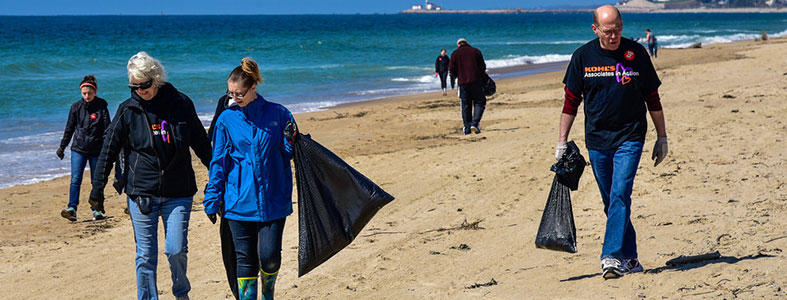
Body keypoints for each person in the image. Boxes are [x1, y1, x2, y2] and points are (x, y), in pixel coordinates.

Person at [556, 5, 668, 279]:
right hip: (597, 140)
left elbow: (652, 98)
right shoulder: (582, 57)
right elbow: (571, 102)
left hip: (630, 137)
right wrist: (562, 141)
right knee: (611, 201)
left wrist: (662, 136)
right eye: (608, 31)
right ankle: (630, 257)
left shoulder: (636, 53)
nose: (614, 35)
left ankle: (611, 256)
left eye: (618, 28)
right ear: (595, 30)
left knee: (620, 193)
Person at [89, 51, 212, 300]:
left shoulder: (181, 104)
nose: (139, 91)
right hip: (141, 192)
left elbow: (200, 142)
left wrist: (219, 176)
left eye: (144, 85)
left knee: (176, 249)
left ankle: (181, 293)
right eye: (134, 86)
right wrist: (97, 189)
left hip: (178, 191)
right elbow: (108, 150)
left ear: (156, 79)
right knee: (146, 255)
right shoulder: (128, 110)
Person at [204, 57, 296, 300]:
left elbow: (289, 153)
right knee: (245, 261)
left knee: (270, 257)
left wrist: (290, 138)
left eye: (240, 93)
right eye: (231, 93)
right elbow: (219, 162)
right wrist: (212, 198)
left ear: (253, 87)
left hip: (273, 202)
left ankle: (268, 296)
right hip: (237, 203)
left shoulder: (279, 113)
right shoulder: (226, 119)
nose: (235, 98)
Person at [57, 75, 112, 222]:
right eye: (84, 93)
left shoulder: (102, 106)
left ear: (95, 92)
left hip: (96, 150)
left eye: (90, 93)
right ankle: (72, 209)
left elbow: (108, 129)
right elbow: (69, 128)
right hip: (78, 149)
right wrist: (62, 146)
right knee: (75, 179)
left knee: (96, 181)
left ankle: (97, 210)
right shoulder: (76, 107)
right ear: (81, 92)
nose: (87, 96)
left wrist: (109, 148)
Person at [449, 38, 487, 135]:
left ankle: (467, 128)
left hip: (463, 82)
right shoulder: (476, 51)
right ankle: (475, 123)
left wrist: (459, 75)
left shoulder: (455, 53)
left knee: (465, 105)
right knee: (479, 102)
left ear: (458, 45)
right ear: (467, 43)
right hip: (476, 81)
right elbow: (483, 67)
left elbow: (451, 69)